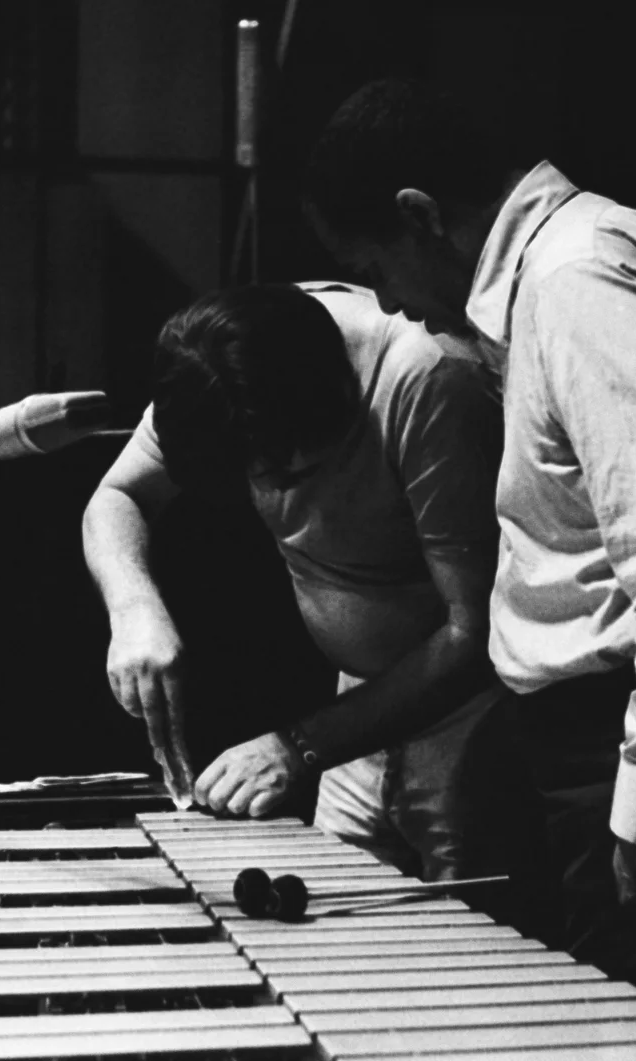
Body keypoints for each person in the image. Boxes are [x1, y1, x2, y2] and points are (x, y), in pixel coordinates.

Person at [302, 78, 636, 1056]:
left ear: (421, 214)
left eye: (373, 267)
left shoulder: (580, 279)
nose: (388, 303)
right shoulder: (574, 265)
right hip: (598, 746)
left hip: (631, 748)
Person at [82, 281, 514, 882]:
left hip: (466, 714)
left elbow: (476, 631)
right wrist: (134, 608)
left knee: (467, 934)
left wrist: (298, 745)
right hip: (353, 713)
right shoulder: (218, 365)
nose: (272, 491)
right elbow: (117, 496)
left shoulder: (428, 380)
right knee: (337, 927)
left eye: (285, 473)